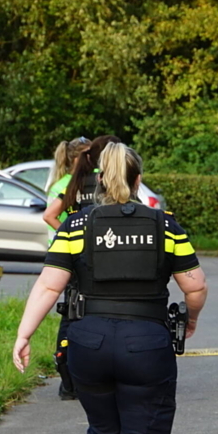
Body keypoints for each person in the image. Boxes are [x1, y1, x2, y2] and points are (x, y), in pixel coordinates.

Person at [12, 141, 207, 434]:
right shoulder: (165, 226)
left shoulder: (77, 225)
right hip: (146, 343)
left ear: (99, 180)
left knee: (103, 433)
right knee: (147, 432)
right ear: (139, 181)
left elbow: (49, 284)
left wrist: (24, 335)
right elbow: (195, 284)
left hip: (89, 341)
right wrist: (190, 319)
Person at [46, 135, 121, 401]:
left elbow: (49, 215)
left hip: (77, 258)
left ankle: (67, 381)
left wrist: (69, 236)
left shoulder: (73, 182)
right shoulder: (110, 180)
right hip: (106, 255)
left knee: (70, 313)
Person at [42, 137, 91, 231]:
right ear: (76, 159)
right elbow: (50, 217)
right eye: (87, 155)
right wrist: (69, 235)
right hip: (62, 242)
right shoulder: (63, 185)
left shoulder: (86, 179)